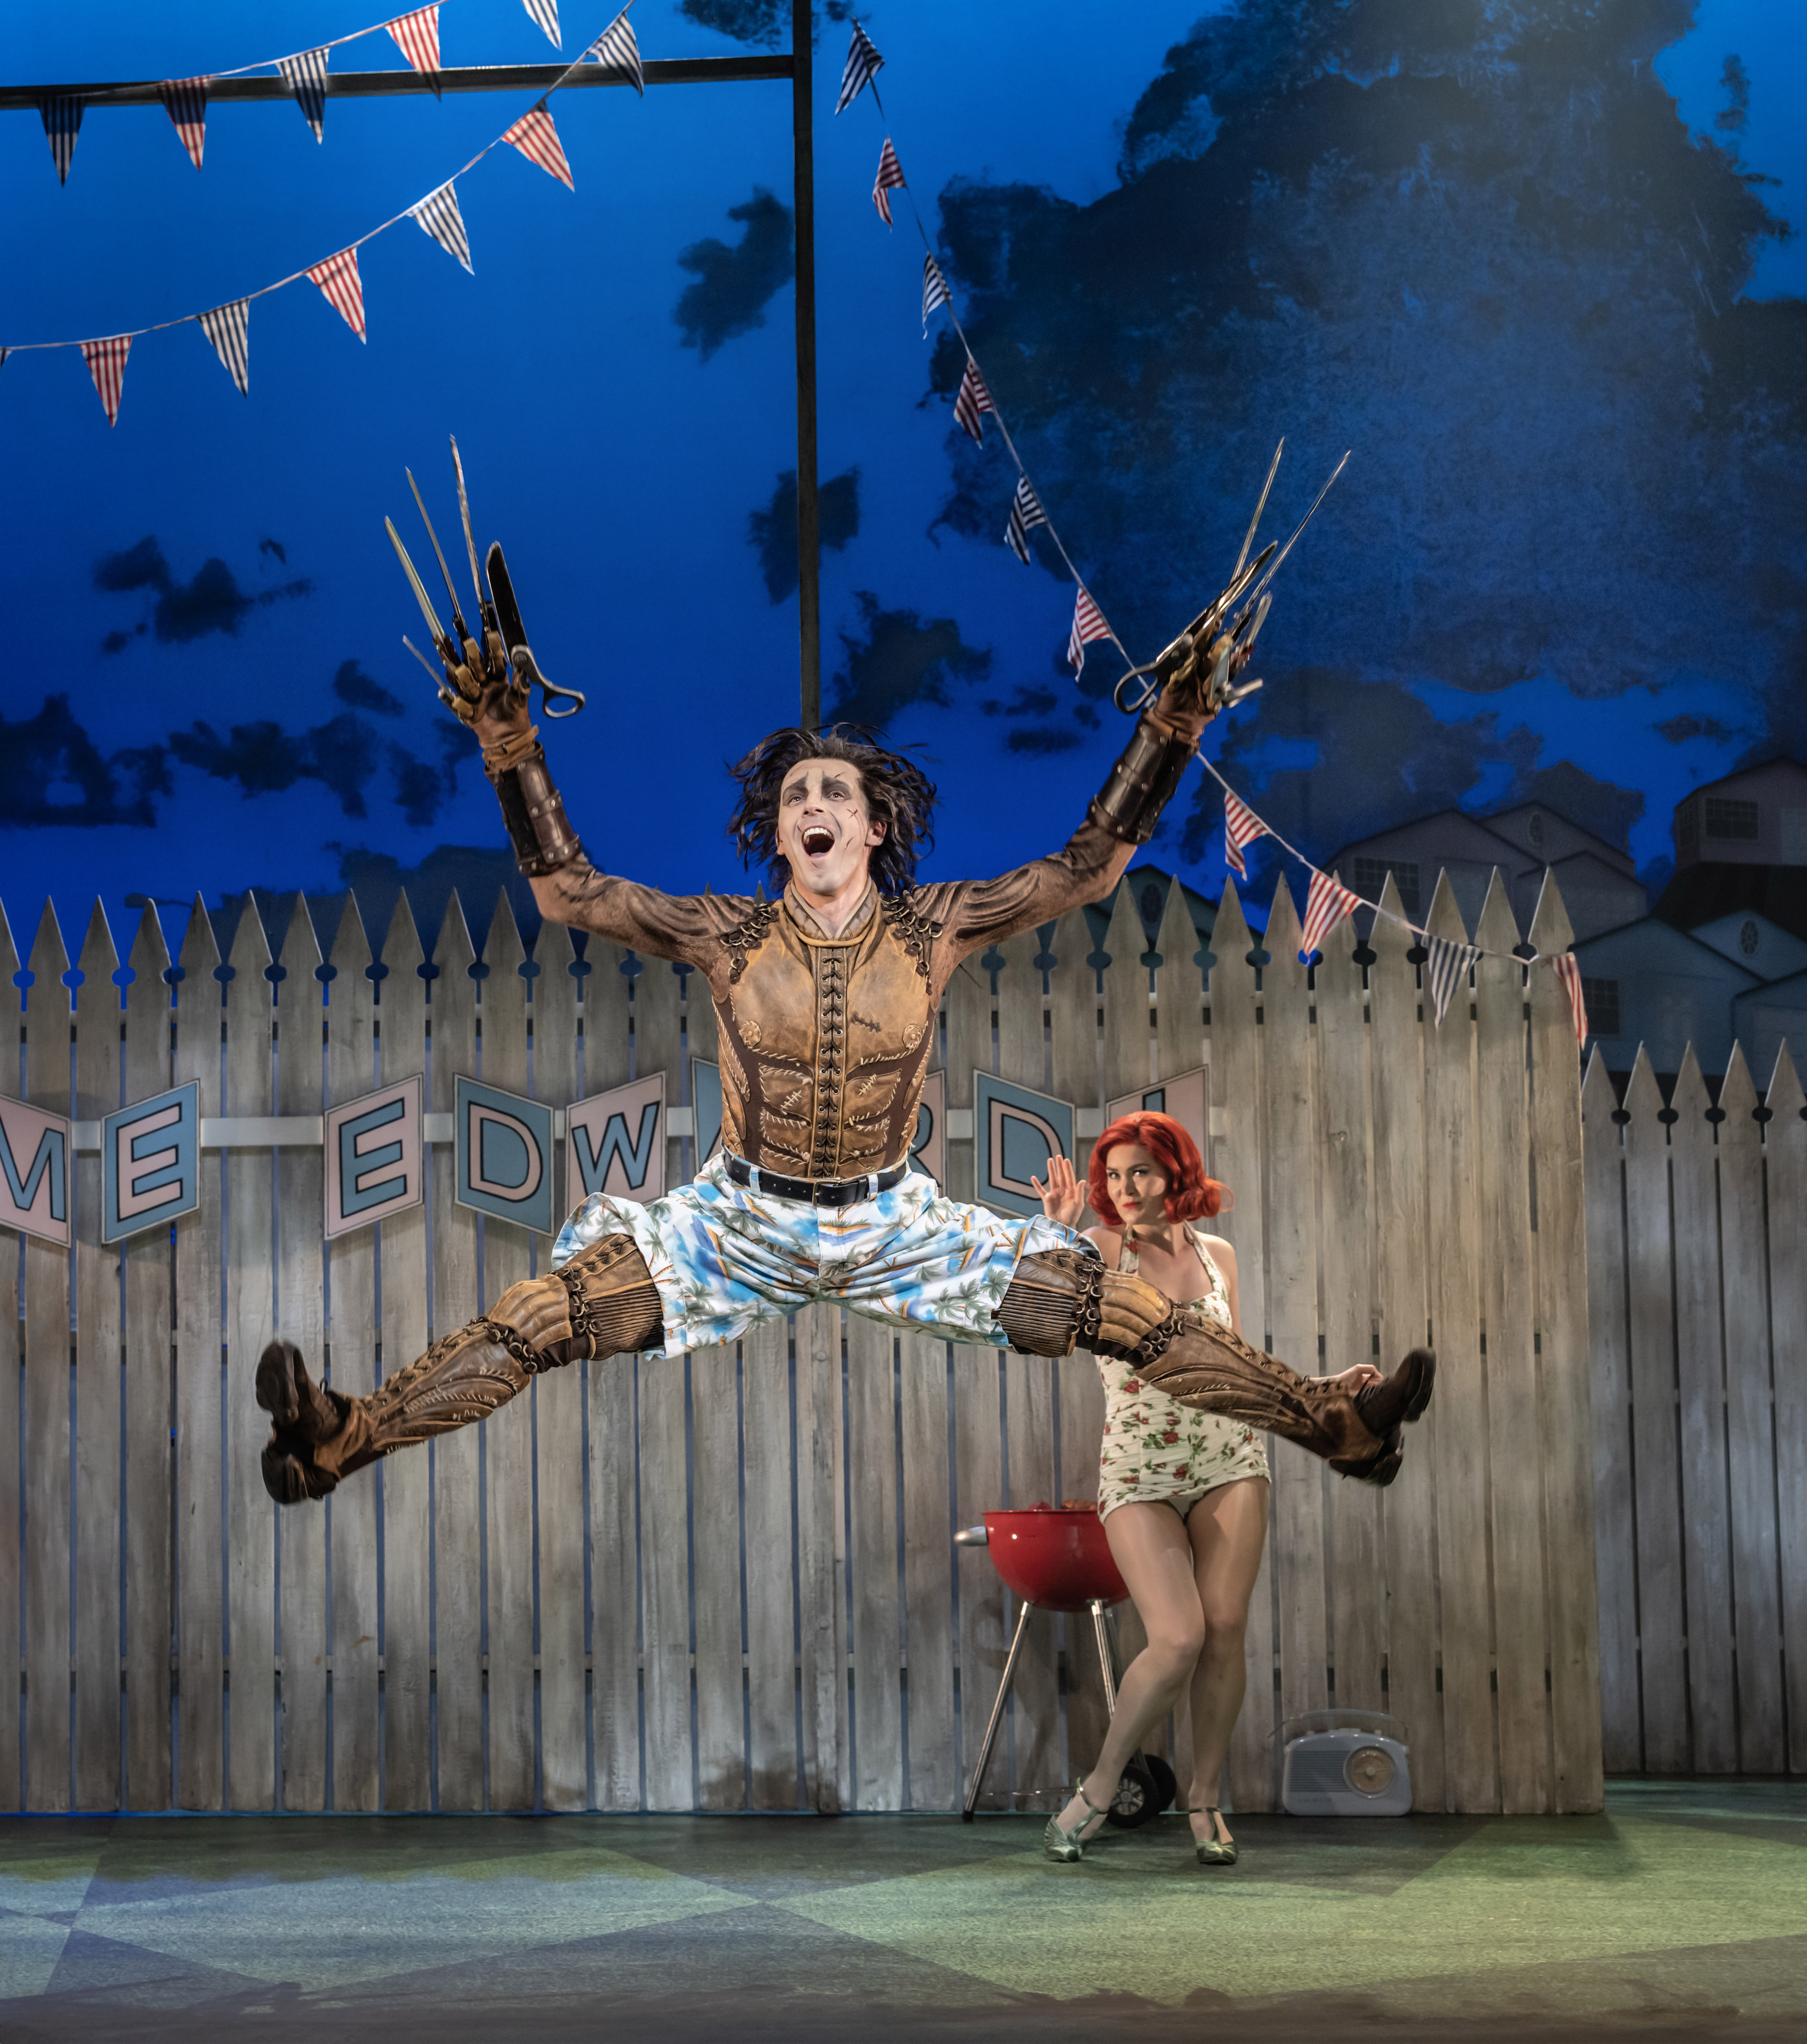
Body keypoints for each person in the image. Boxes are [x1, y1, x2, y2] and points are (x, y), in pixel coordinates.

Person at [255, 577, 1433, 1509]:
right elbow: (569, 891)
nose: (809, 805)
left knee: (1112, 1312)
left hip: (894, 1222)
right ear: (778, 832)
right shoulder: (724, 932)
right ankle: (341, 1436)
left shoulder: (936, 926)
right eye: (792, 798)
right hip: (738, 1221)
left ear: (872, 825)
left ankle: (1331, 1422)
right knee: (541, 1313)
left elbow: (1085, 869)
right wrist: (510, 744)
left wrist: (1171, 723)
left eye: (832, 792)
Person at [1031, 1115, 1428, 1866]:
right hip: (1139, 1470)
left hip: (1230, 1459)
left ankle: (1205, 1798)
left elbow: (1238, 1367)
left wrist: (1322, 1386)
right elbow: (1048, 1316)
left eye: (1140, 1171)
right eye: (1114, 1176)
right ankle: (1098, 1787)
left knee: (1223, 1629)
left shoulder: (1217, 1256)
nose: (1126, 1189)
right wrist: (1058, 1233)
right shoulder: (1097, 1250)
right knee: (1175, 1636)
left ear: (1174, 1171)